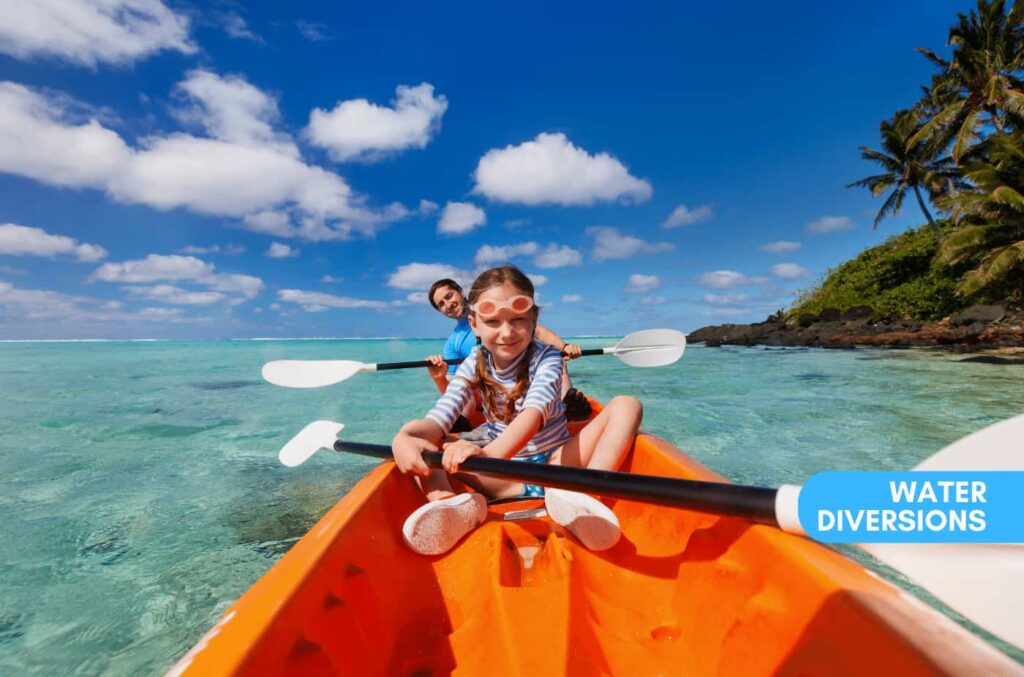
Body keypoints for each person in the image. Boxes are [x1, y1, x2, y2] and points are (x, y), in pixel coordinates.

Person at [392, 266, 643, 556]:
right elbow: (442, 413)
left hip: (556, 467)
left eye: (518, 320)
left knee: (627, 404)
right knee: (428, 444)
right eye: (493, 321)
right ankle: (448, 504)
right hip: (504, 478)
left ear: (534, 318)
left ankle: (588, 497)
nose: (507, 332)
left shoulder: (547, 358)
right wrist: (404, 436)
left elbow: (533, 416)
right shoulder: (474, 360)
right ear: (474, 324)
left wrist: (485, 456)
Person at [424, 277, 592, 421]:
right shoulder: (453, 343)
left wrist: (564, 347)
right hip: (495, 388)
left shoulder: (495, 308)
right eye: (441, 304)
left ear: (460, 291)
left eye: (449, 296)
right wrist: (439, 379)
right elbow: (454, 385)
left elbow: (538, 331)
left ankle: (567, 405)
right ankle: (462, 423)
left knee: (555, 358)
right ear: (474, 325)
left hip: (529, 370)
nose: (448, 304)